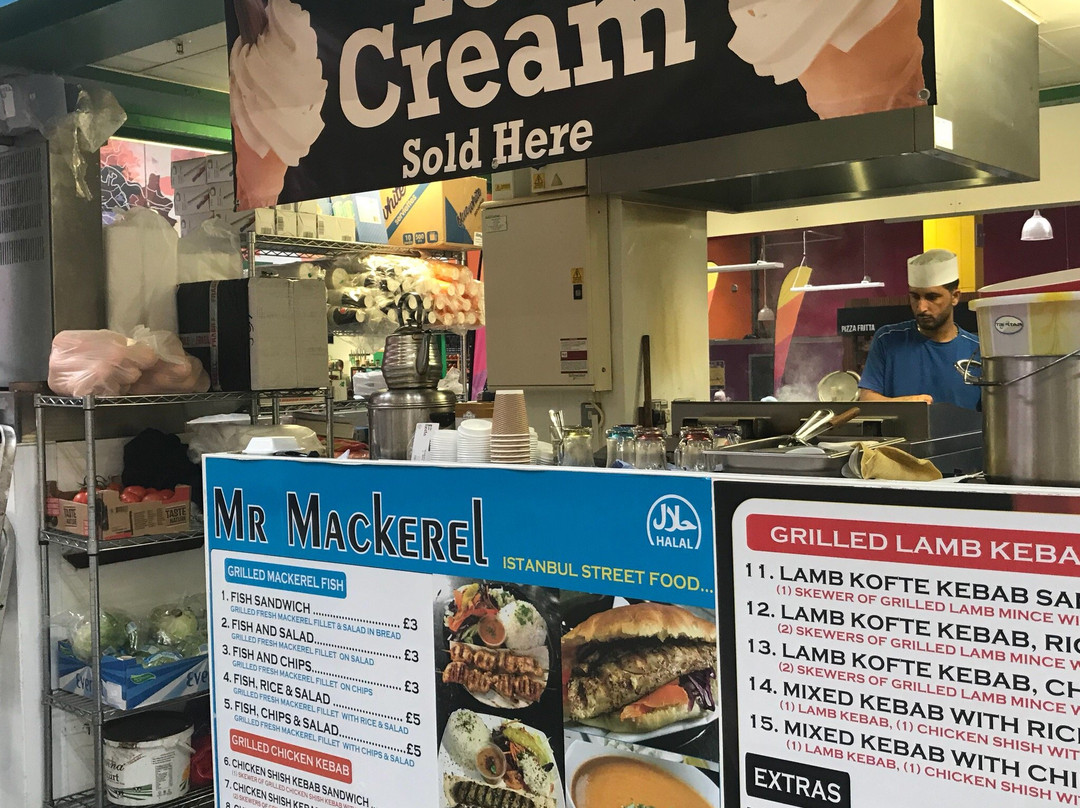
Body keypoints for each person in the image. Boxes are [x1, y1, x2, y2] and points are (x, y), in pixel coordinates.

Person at [858, 249, 981, 409]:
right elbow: (866, 400)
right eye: (915, 297)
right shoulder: (887, 340)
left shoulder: (978, 350)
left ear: (955, 297)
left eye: (932, 297)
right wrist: (908, 405)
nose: (921, 308)